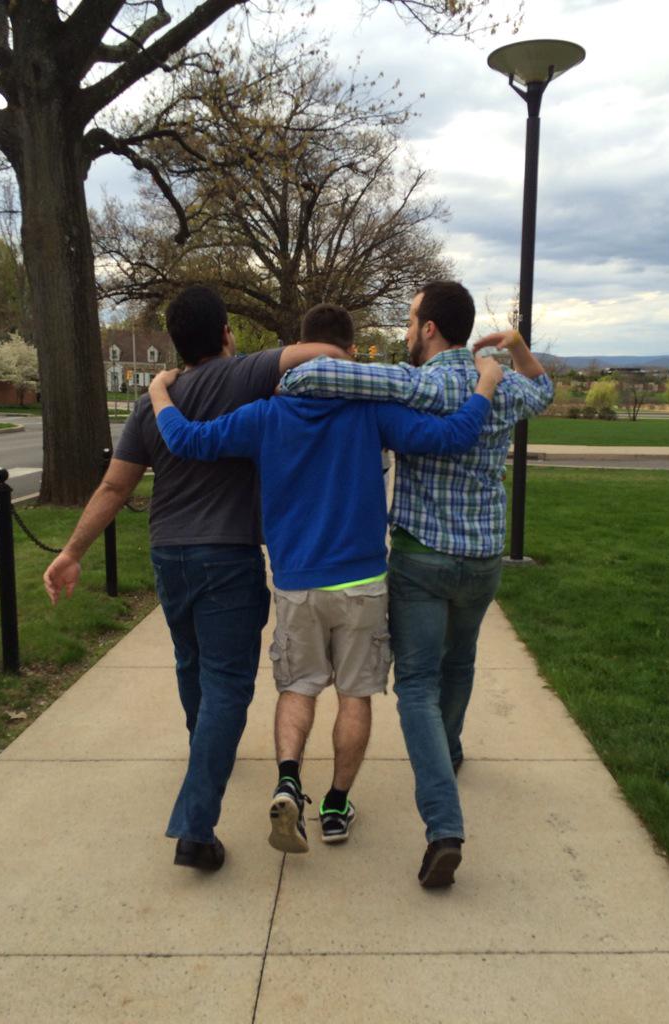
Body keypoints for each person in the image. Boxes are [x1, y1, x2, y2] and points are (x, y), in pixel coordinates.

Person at [147, 308, 504, 856]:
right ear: (347, 350)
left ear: (301, 347)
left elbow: (190, 441)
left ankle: (290, 779)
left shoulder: (265, 415)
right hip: (362, 581)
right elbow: (453, 436)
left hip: (296, 583)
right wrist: (484, 386)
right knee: (355, 696)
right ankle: (337, 803)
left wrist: (159, 396)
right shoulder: (370, 413)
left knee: (297, 688)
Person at [43, 285, 353, 872]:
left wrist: (71, 551)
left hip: (169, 557)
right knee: (229, 686)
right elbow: (325, 354)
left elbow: (115, 486)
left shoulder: (152, 403)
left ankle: (204, 754)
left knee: (191, 666)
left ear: (175, 344)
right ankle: (195, 827)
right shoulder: (245, 373)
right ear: (226, 333)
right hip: (227, 560)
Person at [278, 280, 554, 887]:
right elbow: (544, 391)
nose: (406, 330)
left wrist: (297, 365)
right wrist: (517, 348)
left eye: (409, 320)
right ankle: (446, 752)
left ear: (428, 328)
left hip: (422, 560)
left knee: (419, 688)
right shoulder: (501, 384)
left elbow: (311, 380)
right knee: (460, 664)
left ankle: (444, 827)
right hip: (482, 559)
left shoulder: (420, 384)